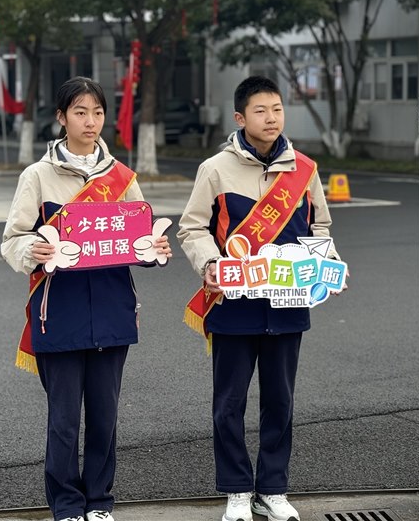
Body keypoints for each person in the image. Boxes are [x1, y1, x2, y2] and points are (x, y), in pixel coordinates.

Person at [0, 76, 172, 521]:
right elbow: (12, 239)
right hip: (58, 313)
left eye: (97, 112)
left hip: (113, 312)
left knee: (104, 417)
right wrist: (33, 250)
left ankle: (99, 501)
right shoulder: (37, 176)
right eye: (80, 112)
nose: (90, 121)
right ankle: (66, 504)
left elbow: (138, 237)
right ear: (62, 118)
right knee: (63, 420)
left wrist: (153, 251)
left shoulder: (122, 177)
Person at [177, 76, 338, 521]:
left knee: (280, 401)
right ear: (240, 117)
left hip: (288, 304)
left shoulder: (304, 169)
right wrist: (211, 264)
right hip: (233, 305)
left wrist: (326, 264)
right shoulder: (215, 169)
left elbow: (320, 227)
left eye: (277, 109)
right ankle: (236, 490)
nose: (271, 118)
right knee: (229, 403)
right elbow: (192, 228)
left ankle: (272, 489)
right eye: (261, 110)